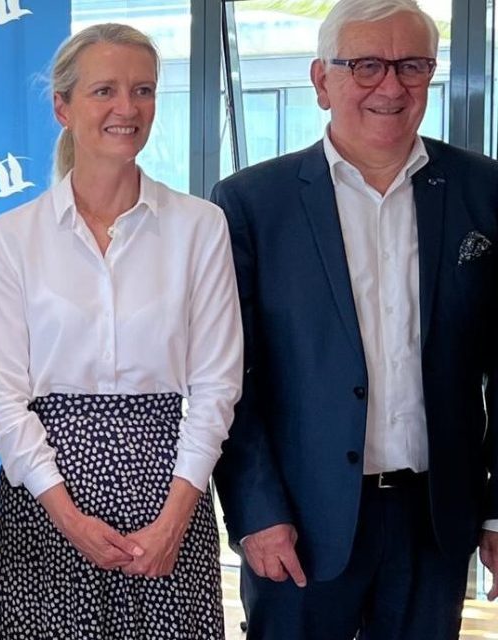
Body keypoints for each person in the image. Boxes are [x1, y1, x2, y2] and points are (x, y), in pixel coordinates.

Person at [210, 0, 498, 637]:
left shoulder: (485, 190)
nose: (390, 86)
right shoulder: (252, 204)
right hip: (300, 526)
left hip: (437, 520)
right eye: (366, 65)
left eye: (412, 65)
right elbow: (232, 378)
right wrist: (255, 511)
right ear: (321, 81)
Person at [0, 23, 242, 639]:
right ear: (62, 107)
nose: (128, 108)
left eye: (143, 90)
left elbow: (216, 385)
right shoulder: (18, 234)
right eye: (105, 91)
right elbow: (4, 392)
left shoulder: (200, 227)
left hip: (169, 495)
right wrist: (66, 516)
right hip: (48, 499)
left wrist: (175, 517)